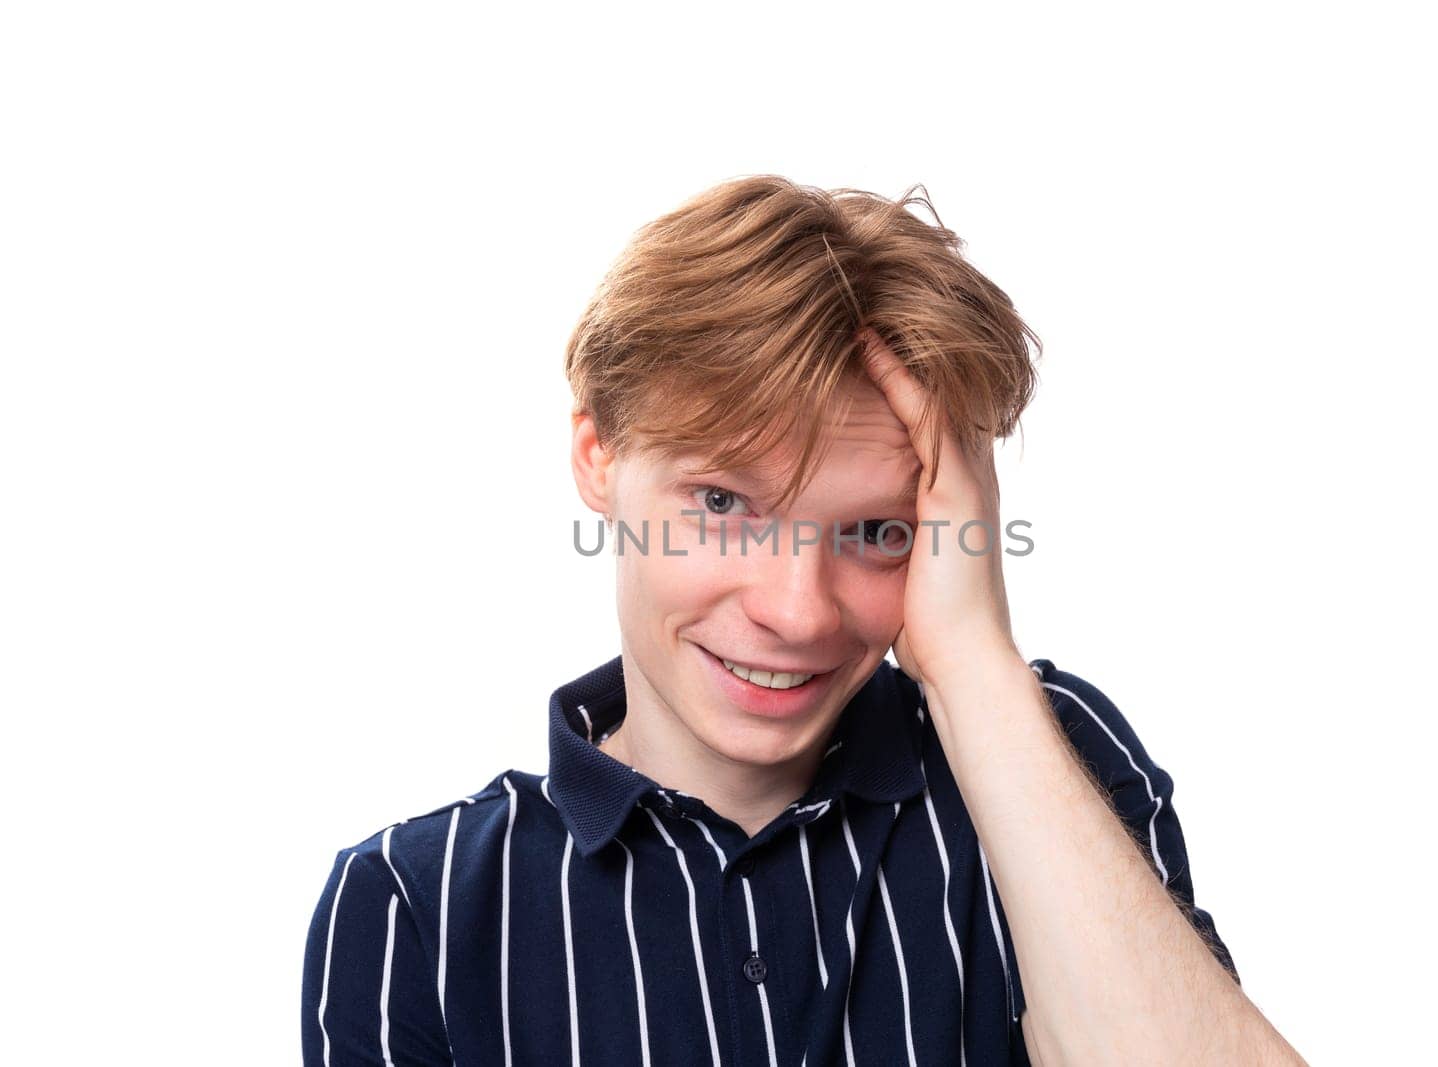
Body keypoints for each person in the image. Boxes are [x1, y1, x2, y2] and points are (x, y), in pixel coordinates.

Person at [301, 175, 1304, 1065]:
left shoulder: (1049, 759)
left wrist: (970, 662)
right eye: (724, 503)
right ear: (598, 453)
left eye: (875, 528)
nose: (794, 610)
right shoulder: (414, 910)